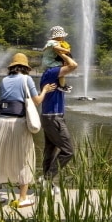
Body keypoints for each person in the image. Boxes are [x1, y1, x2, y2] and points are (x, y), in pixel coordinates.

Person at [0, 52, 55, 207]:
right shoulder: (27, 79)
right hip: (18, 122)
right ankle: (22, 198)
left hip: (1, 121)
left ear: (12, 67)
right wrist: (45, 90)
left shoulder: (4, 80)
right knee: (24, 157)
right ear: (25, 67)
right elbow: (37, 101)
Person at [39, 50, 78, 193]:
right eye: (65, 63)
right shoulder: (52, 72)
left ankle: (47, 183)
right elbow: (73, 65)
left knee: (50, 150)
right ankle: (47, 178)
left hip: (53, 116)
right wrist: (62, 53)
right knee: (68, 151)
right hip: (53, 117)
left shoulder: (56, 75)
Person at [40, 26, 72, 91]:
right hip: (49, 62)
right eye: (62, 36)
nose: (63, 38)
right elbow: (56, 48)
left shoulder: (55, 42)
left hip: (51, 61)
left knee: (62, 72)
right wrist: (66, 50)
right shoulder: (52, 42)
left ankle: (62, 85)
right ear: (58, 36)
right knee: (63, 69)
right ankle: (62, 86)